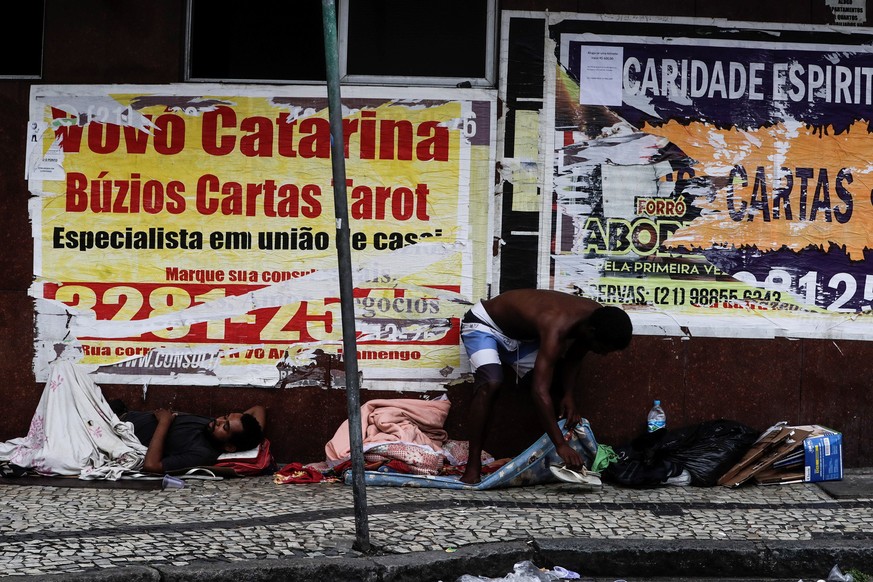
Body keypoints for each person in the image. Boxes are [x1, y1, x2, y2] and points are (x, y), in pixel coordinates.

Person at [459, 289, 632, 484]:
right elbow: (538, 391)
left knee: (556, 384)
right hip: (484, 324)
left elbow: (574, 358)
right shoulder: (557, 326)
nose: (603, 354)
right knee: (491, 383)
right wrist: (560, 444)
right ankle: (472, 467)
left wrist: (569, 395)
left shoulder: (596, 320)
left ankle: (552, 459)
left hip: (521, 340)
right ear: (591, 333)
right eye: (603, 349)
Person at [122, 405, 267, 474]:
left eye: (226, 427)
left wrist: (164, 421)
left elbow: (151, 466)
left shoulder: (201, 452)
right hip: (123, 414)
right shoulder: (212, 430)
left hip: (116, 430)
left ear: (229, 447)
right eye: (225, 416)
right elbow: (258, 409)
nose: (218, 421)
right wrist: (255, 438)